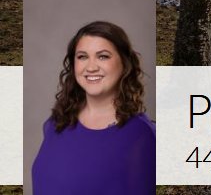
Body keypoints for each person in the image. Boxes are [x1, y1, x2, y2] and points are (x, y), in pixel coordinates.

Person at [31, 20, 155, 194]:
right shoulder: (56, 123)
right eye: (82, 57)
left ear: (124, 63)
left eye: (103, 56)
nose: (91, 67)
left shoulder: (142, 135)